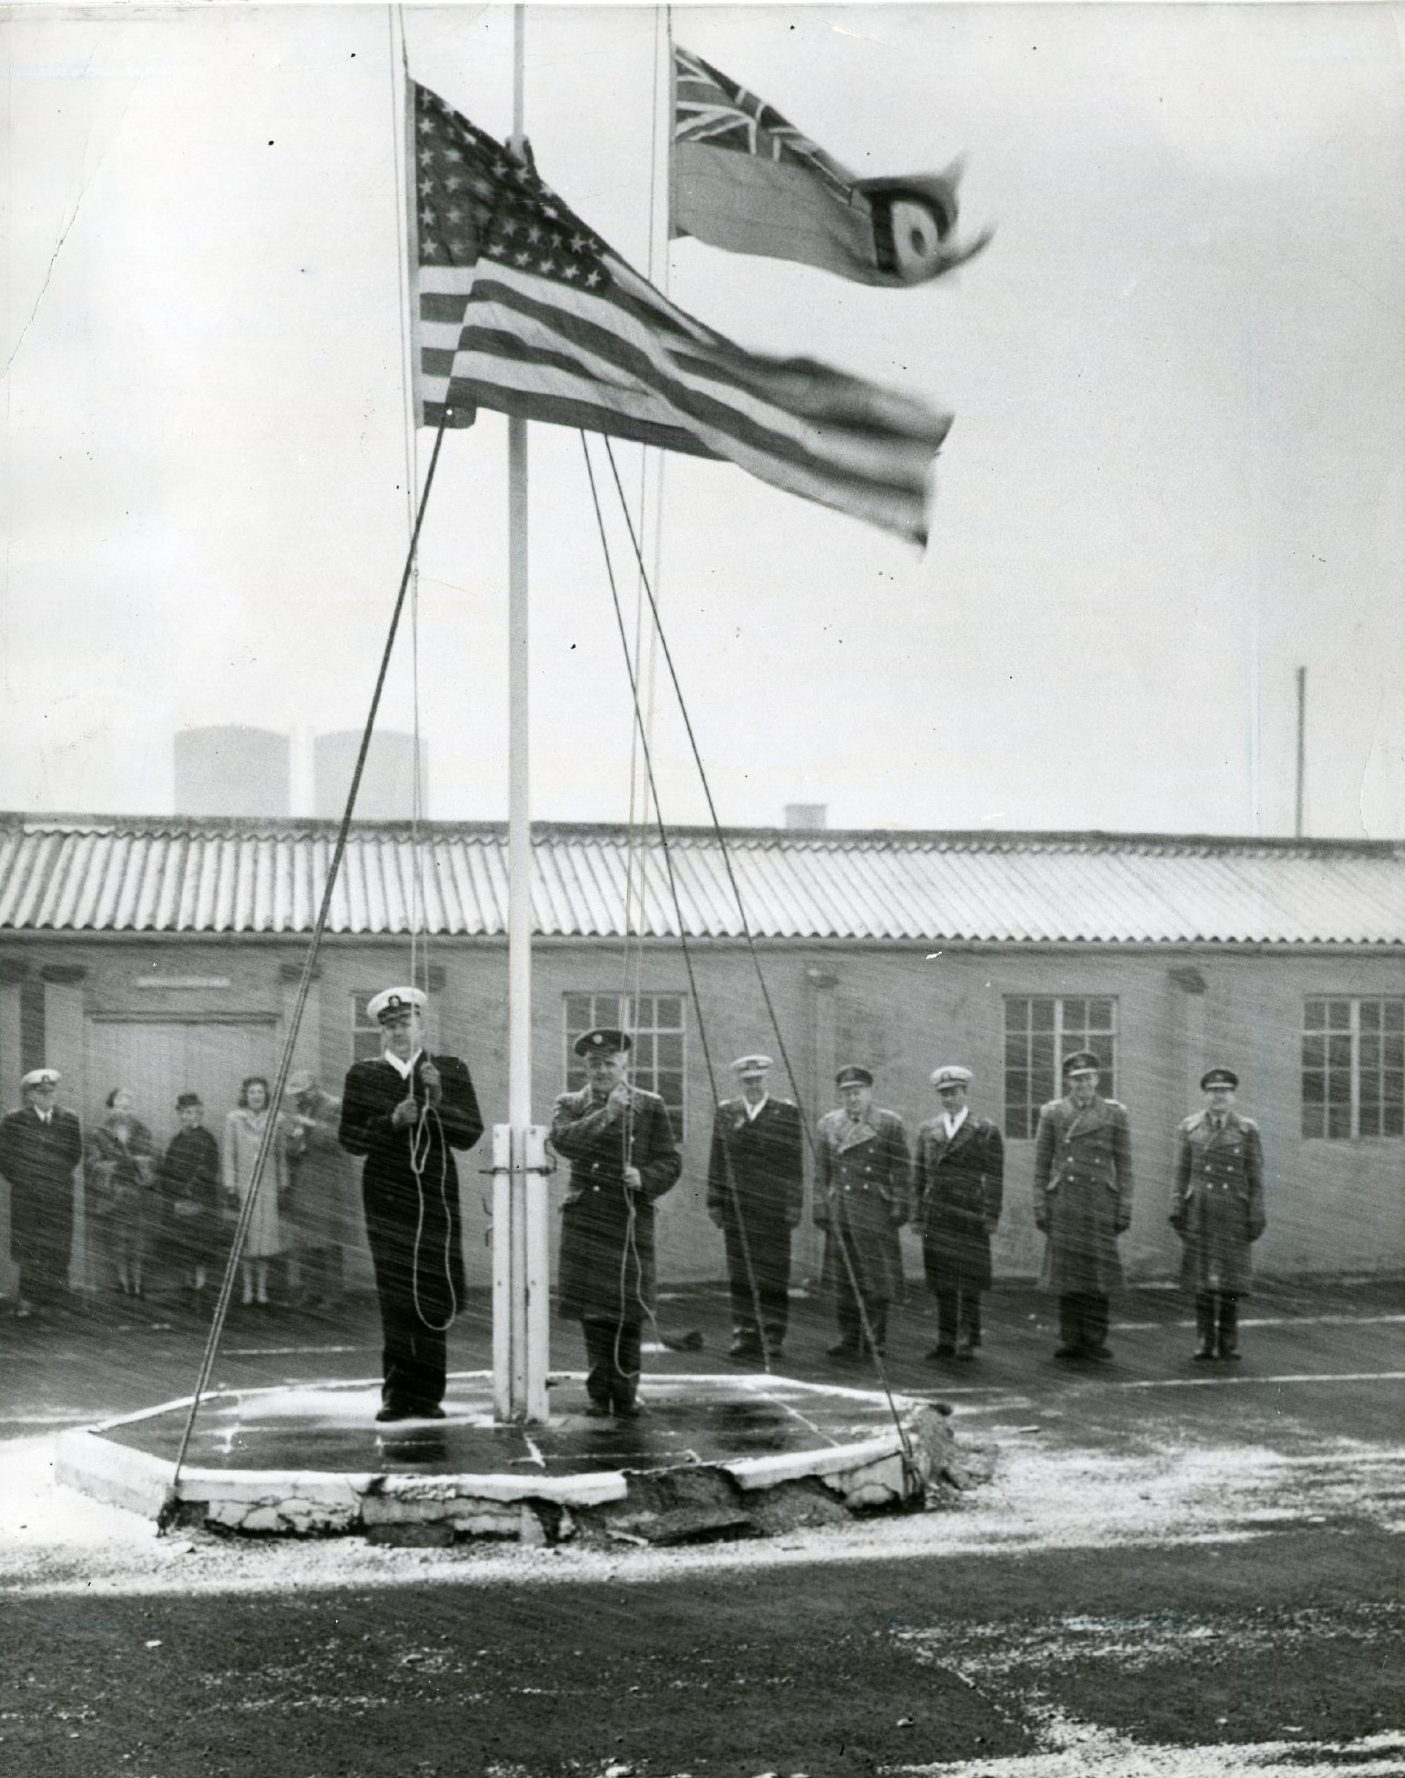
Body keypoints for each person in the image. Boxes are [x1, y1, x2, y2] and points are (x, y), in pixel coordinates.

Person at [338, 987, 483, 1422]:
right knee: (397, 1293)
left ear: (422, 1025)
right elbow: (350, 1139)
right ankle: (398, 1395)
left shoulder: (449, 1069)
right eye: (390, 1025)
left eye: (405, 1023)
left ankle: (429, 1395)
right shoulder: (363, 1075)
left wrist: (440, 1103)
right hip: (386, 1199)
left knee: (434, 1291)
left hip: (435, 1194)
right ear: (380, 1032)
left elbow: (470, 1133)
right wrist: (392, 1121)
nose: (398, 1031)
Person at [552, 1028, 682, 1417]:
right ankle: (598, 1392)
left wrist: (645, 1178)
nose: (602, 1070)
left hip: (628, 1213)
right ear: (585, 1067)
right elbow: (563, 1142)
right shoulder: (570, 1103)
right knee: (594, 1311)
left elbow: (670, 1160)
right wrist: (606, 1115)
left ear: (625, 1064)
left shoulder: (649, 1104)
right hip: (587, 1215)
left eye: (610, 1062)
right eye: (594, 1063)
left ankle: (624, 1391)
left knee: (627, 1307)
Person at [1033, 1050, 1134, 1362]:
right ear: (1068, 1081)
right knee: (1068, 1273)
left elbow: (1125, 1165)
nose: (1083, 1084)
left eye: (1088, 1078)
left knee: (1097, 1274)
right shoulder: (1052, 1113)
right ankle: (1071, 1338)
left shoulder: (1115, 1114)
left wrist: (1125, 1206)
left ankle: (1095, 1338)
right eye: (1076, 1079)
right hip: (1066, 1200)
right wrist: (1040, 1203)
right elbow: (1042, 1164)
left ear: (1097, 1079)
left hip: (1099, 1200)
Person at [707, 1054, 805, 1364]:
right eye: (747, 1081)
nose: (753, 1085)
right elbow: (717, 1158)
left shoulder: (785, 1112)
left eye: (758, 1080)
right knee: (741, 1271)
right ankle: (745, 1331)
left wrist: (793, 1203)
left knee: (774, 1271)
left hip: (773, 1205)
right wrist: (714, 1200)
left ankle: (773, 1334)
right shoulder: (727, 1112)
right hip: (738, 1206)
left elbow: (793, 1162)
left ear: (766, 1080)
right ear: (740, 1081)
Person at [814, 1065, 910, 1361]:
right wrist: (821, 1204)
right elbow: (822, 1171)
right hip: (841, 1207)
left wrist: (900, 1204)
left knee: (875, 1277)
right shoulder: (828, 1124)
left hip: (875, 1210)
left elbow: (902, 1169)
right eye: (846, 1093)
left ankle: (874, 1338)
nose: (852, 1098)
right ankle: (848, 1336)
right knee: (845, 1277)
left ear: (869, 1092)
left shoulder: (888, 1123)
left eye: (857, 1092)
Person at [1171, 1067, 1266, 1362]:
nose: (1219, 1097)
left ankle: (1228, 1339)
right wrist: (1176, 1206)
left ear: (1233, 1096)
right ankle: (1204, 1339)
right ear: (1206, 1095)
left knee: (1230, 1281)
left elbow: (1256, 1177)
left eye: (1224, 1092)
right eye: (1214, 1092)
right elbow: (1180, 1172)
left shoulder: (1247, 1130)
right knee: (1203, 1280)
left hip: (1233, 1211)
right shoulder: (1189, 1128)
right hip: (1201, 1209)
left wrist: (1256, 1212)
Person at [913, 1064, 1004, 1362]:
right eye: (944, 1094)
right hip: (935, 1215)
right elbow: (919, 1176)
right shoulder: (928, 1130)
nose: (949, 1099)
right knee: (941, 1280)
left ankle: (966, 1338)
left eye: (953, 1093)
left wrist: (991, 1215)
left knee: (968, 1279)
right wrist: (918, 1217)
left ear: (965, 1092)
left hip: (969, 1214)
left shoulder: (984, 1130)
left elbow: (994, 1177)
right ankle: (945, 1338)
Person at [0, 1068, 84, 1319]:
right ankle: (28, 1299)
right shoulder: (14, 1120)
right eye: (41, 1092)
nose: (48, 1096)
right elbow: (4, 1158)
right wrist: (27, 1182)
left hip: (58, 1196)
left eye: (51, 1091)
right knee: (29, 1245)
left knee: (58, 1246)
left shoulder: (69, 1119)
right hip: (27, 1196)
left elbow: (73, 1154)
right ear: (30, 1095)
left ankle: (56, 1300)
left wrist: (53, 1181)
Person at [284, 1070, 352, 1310]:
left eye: (301, 1094)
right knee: (307, 1239)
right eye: (296, 1096)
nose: (298, 1100)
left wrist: (310, 1125)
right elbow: (292, 1149)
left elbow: (338, 1138)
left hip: (328, 1183)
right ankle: (312, 1291)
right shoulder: (303, 1109)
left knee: (330, 1241)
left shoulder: (334, 1105)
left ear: (313, 1089)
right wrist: (294, 1140)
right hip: (306, 1182)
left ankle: (334, 1296)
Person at [222, 1075, 290, 1309]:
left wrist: (283, 1182)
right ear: (245, 1095)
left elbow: (281, 1154)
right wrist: (230, 1184)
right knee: (246, 1241)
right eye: (252, 1092)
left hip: (268, 1187)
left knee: (265, 1242)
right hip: (244, 1186)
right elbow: (229, 1152)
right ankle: (247, 1288)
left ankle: (262, 1289)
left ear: (266, 1094)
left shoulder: (277, 1119)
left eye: (260, 1092)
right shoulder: (234, 1119)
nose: (256, 1096)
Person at [86, 1087, 159, 1300]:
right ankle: (123, 1283)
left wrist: (141, 1165)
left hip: (137, 1193)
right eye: (120, 1100)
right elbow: (92, 1161)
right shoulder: (98, 1133)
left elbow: (152, 1157)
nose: (124, 1105)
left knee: (139, 1241)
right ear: (111, 1104)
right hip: (114, 1194)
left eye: (128, 1100)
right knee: (117, 1240)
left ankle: (138, 1284)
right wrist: (119, 1167)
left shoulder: (142, 1130)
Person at [156, 1093, 224, 1306]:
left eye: (195, 1112)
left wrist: (190, 1192)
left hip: (200, 1200)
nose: (191, 1116)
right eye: (186, 1112)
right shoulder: (176, 1140)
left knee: (199, 1245)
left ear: (200, 1114)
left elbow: (208, 1169)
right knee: (183, 1245)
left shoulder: (206, 1138)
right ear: (179, 1114)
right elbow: (169, 1170)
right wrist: (171, 1188)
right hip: (177, 1199)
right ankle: (188, 1284)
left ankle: (201, 1288)